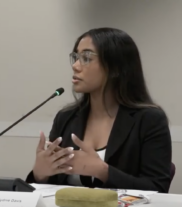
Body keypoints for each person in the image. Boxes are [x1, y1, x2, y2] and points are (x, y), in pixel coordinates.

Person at [26, 27, 172, 193]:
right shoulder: (66, 117)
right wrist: (40, 174)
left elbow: (158, 188)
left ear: (116, 68)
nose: (75, 66)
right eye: (75, 57)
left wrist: (102, 171)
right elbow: (49, 189)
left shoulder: (149, 120)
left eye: (86, 58)